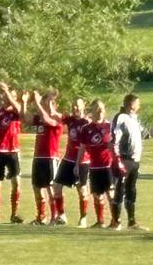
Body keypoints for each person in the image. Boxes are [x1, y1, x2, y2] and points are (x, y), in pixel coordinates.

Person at [111, 93, 149, 230]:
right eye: (137, 103)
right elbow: (114, 139)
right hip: (124, 158)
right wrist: (117, 159)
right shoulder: (121, 117)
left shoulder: (135, 119)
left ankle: (132, 221)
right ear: (131, 104)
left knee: (131, 189)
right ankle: (116, 221)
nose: (139, 106)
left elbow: (144, 134)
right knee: (119, 189)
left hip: (135, 160)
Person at [27, 89, 64, 225]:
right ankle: (41, 217)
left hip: (50, 157)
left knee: (51, 188)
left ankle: (55, 217)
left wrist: (38, 103)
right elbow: (26, 118)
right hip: (38, 157)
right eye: (45, 102)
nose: (47, 105)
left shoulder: (57, 119)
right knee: (37, 187)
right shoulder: (40, 119)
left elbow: (49, 121)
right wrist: (24, 102)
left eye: (51, 103)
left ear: (56, 106)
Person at [0, 84, 25, 224]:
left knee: (16, 182)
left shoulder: (15, 112)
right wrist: (0, 98)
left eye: (11, 96)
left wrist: (8, 94)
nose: (8, 98)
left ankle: (14, 214)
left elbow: (20, 111)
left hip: (12, 150)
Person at [51, 98, 89, 226]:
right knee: (56, 186)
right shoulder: (70, 120)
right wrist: (48, 102)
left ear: (84, 106)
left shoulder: (87, 122)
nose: (75, 108)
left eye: (77, 106)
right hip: (68, 159)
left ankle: (83, 218)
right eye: (73, 106)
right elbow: (55, 115)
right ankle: (61, 216)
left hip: (83, 161)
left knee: (82, 190)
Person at [80, 99, 117, 229]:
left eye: (102, 109)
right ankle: (100, 221)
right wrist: (77, 164)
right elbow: (82, 148)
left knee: (111, 194)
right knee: (97, 195)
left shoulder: (110, 127)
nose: (100, 111)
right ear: (92, 111)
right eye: (97, 109)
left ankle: (115, 221)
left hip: (108, 166)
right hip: (94, 166)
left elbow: (116, 145)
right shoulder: (86, 129)